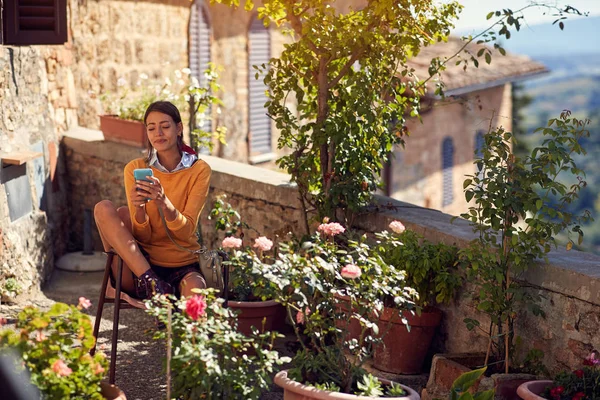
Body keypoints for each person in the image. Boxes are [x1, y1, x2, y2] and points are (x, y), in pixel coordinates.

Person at [94, 101, 211, 299]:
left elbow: (186, 231)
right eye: (151, 128)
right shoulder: (135, 168)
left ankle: (164, 301)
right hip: (142, 267)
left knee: (197, 294)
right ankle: (154, 284)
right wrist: (139, 209)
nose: (158, 133)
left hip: (182, 264)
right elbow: (143, 236)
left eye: (165, 126)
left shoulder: (199, 170)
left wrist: (163, 201)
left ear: (179, 128)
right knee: (104, 208)